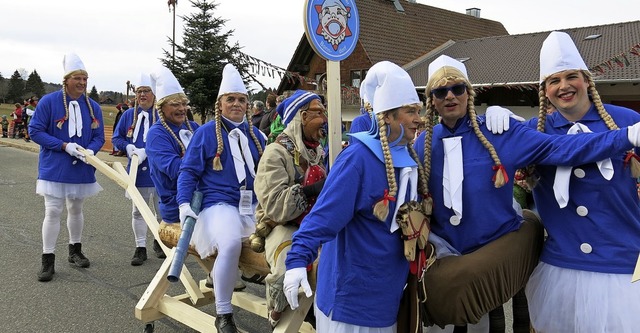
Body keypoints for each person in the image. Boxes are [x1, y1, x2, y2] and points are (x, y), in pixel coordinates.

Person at [413, 54, 640, 332]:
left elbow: (562, 149)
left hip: (499, 252)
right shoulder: (424, 142)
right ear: (431, 99)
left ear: (468, 93)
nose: (450, 96)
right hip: (446, 255)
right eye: (440, 91)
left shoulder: (499, 132)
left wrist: (626, 136)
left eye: (457, 88)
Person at [283, 61, 429, 333]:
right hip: (350, 305)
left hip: (386, 300)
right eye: (410, 111)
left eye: (418, 111)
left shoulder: (410, 156)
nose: (417, 119)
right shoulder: (358, 159)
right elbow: (323, 217)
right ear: (387, 116)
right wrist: (296, 261)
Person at [516, 31, 640, 333]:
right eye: (553, 81)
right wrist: (489, 121)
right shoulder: (535, 131)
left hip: (621, 266)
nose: (564, 86)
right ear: (544, 90)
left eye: (571, 76)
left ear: (587, 80)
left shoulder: (626, 120)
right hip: (562, 267)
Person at [176, 63, 266, 333]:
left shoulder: (257, 135)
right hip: (218, 204)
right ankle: (223, 313)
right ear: (221, 104)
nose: (236, 104)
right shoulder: (205, 134)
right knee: (228, 244)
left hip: (252, 205)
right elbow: (188, 172)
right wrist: (183, 204)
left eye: (241, 99)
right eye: (231, 99)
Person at [252, 90, 328, 329]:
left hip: (315, 224)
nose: (324, 119)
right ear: (302, 117)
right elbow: (274, 207)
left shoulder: (318, 152)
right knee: (288, 265)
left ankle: (321, 313)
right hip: (284, 225)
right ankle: (278, 316)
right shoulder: (276, 153)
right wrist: (312, 189)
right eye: (319, 112)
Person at [28, 52, 105, 282]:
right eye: (77, 78)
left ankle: (75, 250)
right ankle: (47, 259)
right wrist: (63, 145)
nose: (82, 83)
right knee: (52, 211)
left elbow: (99, 135)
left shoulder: (93, 107)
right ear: (66, 80)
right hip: (55, 166)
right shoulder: (49, 102)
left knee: (76, 209)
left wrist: (90, 150)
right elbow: (35, 131)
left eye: (85, 79)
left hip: (81, 167)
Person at [112, 73, 164, 265]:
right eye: (139, 91)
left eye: (146, 91)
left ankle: (161, 242)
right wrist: (127, 147)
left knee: (162, 211)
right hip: (136, 171)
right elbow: (117, 138)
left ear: (154, 94)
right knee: (138, 211)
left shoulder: (162, 115)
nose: (142, 95)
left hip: (159, 171)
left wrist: (149, 151)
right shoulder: (127, 115)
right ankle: (140, 247)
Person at [146, 65, 199, 242]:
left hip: (204, 201)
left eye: (184, 104)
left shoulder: (194, 128)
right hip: (175, 207)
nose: (182, 109)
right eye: (175, 104)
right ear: (161, 108)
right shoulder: (156, 134)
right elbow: (176, 169)